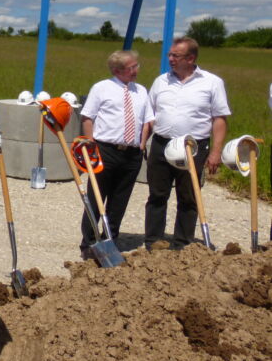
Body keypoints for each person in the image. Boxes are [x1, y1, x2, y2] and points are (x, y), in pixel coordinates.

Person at [144, 36, 230, 250]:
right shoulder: (161, 81)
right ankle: (153, 241)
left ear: (191, 58)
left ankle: (182, 244)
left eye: (176, 55)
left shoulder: (211, 82)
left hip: (193, 147)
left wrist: (216, 152)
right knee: (157, 195)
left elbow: (219, 119)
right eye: (170, 55)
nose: (171, 59)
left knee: (189, 196)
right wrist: (142, 142)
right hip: (162, 145)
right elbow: (148, 113)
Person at [79, 50, 154, 258]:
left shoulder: (141, 91)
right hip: (105, 149)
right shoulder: (102, 88)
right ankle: (89, 243)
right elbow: (87, 117)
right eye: (132, 68)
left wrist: (141, 143)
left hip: (131, 154)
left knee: (120, 200)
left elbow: (148, 119)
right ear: (117, 70)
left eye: (136, 66)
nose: (136, 71)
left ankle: (111, 239)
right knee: (96, 197)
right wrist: (90, 145)